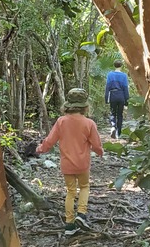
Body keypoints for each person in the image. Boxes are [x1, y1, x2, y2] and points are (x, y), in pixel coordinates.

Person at [36, 88, 104, 236]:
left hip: (66, 164)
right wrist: (100, 152)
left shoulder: (61, 121)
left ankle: (69, 225)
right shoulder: (89, 123)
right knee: (84, 187)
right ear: (85, 107)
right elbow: (97, 144)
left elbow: (50, 140)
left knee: (71, 192)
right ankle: (81, 213)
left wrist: (41, 149)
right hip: (83, 164)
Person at [105, 59, 130, 139]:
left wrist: (106, 98)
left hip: (113, 95)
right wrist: (127, 100)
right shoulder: (124, 76)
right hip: (121, 95)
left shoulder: (110, 75)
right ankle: (118, 132)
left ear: (114, 65)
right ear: (121, 66)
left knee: (113, 113)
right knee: (120, 114)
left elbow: (107, 88)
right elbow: (126, 88)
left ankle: (113, 127)